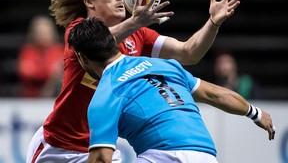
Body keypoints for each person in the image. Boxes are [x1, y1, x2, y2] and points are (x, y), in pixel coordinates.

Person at [26, 0, 241, 162]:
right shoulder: (78, 30)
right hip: (57, 147)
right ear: (90, 2)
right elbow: (97, 41)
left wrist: (213, 23)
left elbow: (189, 53)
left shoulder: (139, 36)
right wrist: (135, 22)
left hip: (101, 145)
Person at [68, 18, 275, 163]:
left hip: (163, 156)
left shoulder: (105, 93)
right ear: (114, 42)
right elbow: (216, 94)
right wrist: (255, 113)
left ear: (82, 58)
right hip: (206, 156)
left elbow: (102, 159)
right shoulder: (166, 65)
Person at [17, 15, 64, 98]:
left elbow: (62, 74)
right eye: (40, 32)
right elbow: (26, 72)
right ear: (33, 33)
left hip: (54, 98)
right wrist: (51, 73)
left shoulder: (58, 50)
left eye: (45, 32)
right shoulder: (28, 51)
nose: (43, 36)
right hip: (30, 98)